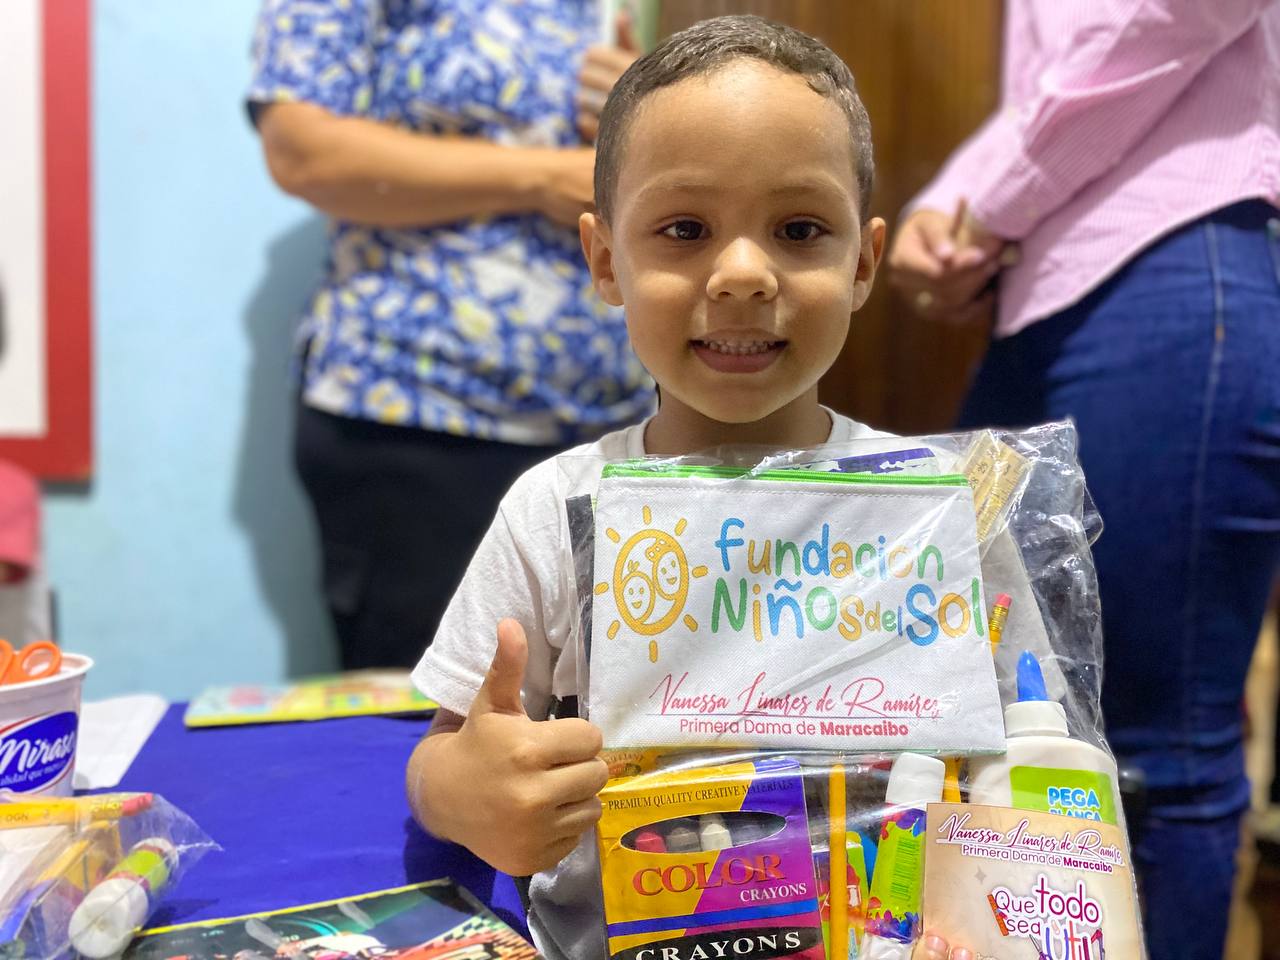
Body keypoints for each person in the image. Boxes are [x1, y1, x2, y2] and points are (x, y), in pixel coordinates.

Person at [406, 15, 978, 960]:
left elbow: (1024, 754)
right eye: (684, 229)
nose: (743, 274)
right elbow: (439, 757)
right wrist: (467, 792)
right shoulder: (558, 507)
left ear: (863, 262)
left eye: (799, 230)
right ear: (606, 261)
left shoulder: (937, 507)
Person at [887, 3, 1280, 958]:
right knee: (995, 723)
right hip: (1041, 293)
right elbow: (1061, 66)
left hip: (1172, 252)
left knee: (1159, 751)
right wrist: (955, 208)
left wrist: (987, 203)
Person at [247, 0, 656, 669]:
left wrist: (642, 107)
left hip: (609, 430)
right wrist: (544, 176)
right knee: (435, 711)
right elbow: (304, 150)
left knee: (607, 704)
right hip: (421, 420)